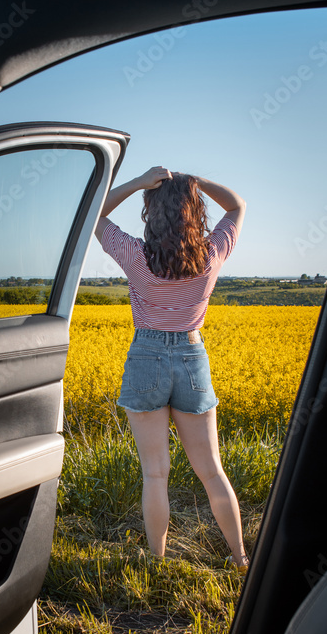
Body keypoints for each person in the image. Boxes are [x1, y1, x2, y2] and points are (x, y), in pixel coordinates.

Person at [95, 166, 249, 572]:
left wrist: (138, 183)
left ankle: (159, 563)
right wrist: (193, 181)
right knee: (212, 472)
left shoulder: (134, 255)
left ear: (151, 211)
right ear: (194, 211)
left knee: (155, 475)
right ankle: (240, 558)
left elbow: (94, 214)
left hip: (145, 355)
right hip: (191, 355)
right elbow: (237, 205)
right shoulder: (211, 255)